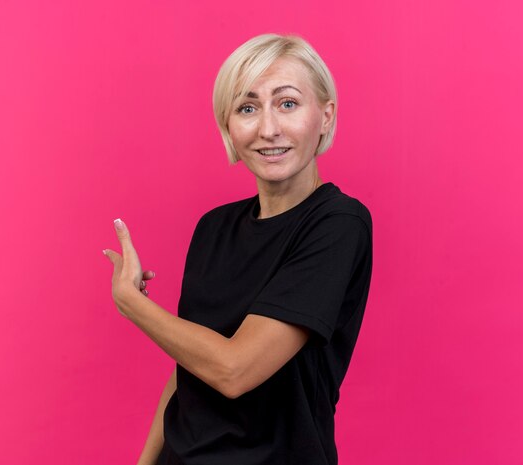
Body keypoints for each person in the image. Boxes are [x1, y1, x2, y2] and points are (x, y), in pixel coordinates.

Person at [103, 33, 373, 465]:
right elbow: (189, 365)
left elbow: (234, 370)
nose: (268, 128)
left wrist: (133, 304)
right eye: (247, 108)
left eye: (287, 103)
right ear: (228, 125)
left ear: (325, 116)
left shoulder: (338, 223)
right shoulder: (214, 227)